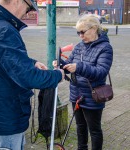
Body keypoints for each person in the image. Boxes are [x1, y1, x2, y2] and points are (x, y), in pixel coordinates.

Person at [0, 0, 64, 150]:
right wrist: (58, 75)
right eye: (27, 9)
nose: (26, 14)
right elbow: (27, 77)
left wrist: (31, 63)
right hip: (7, 113)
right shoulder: (4, 30)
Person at [53, 14, 113, 150]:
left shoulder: (105, 48)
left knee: (94, 130)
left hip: (93, 95)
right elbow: (69, 65)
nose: (80, 35)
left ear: (94, 28)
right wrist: (61, 64)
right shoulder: (79, 46)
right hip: (76, 94)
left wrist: (78, 67)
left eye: (82, 32)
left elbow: (101, 72)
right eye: (78, 32)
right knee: (80, 127)